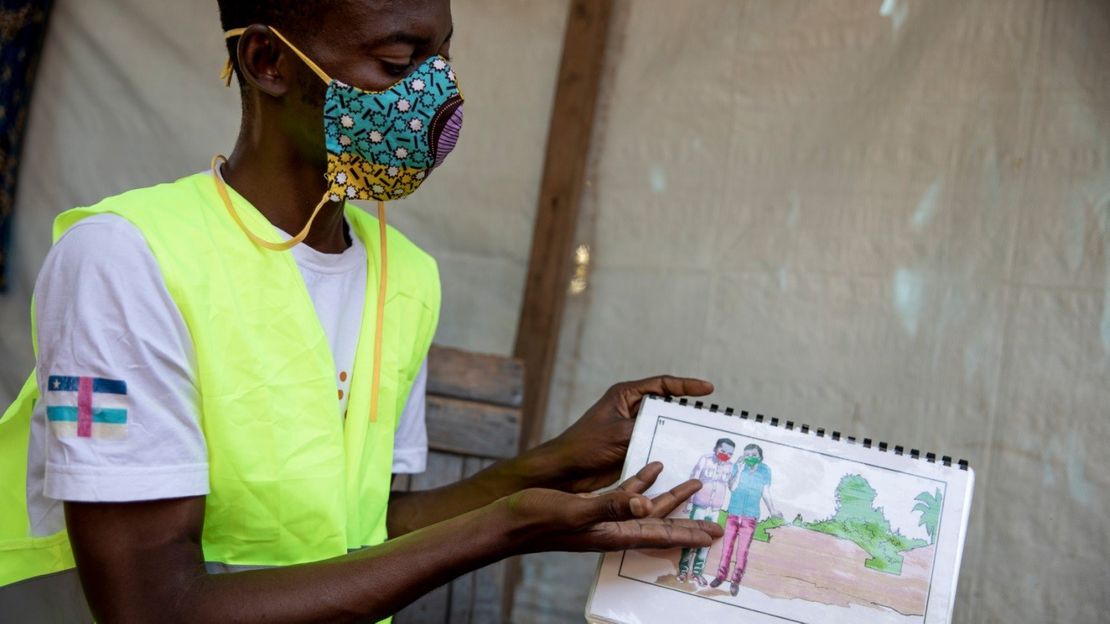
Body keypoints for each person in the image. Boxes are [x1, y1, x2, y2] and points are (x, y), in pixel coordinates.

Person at [0, 1, 724, 621]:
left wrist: (554, 467)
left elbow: (361, 529)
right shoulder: (125, 260)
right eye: (398, 61)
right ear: (267, 61)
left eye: (442, 57)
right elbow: (153, 608)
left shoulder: (404, 276)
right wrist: (506, 527)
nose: (438, 98)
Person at [710, 443, 781, 597]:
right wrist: (740, 471)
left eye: (754, 455)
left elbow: (766, 492)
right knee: (727, 547)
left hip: (750, 516)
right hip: (733, 513)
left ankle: (735, 580)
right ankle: (720, 576)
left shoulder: (765, 470)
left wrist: (773, 510)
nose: (750, 458)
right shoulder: (738, 466)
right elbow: (732, 487)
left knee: (742, 551)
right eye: (747, 455)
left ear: (760, 456)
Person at [675, 437, 735, 586]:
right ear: (716, 448)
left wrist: (737, 471)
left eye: (730, 453)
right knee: (691, 538)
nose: (725, 455)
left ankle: (697, 573)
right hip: (699, 505)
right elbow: (693, 480)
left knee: (707, 542)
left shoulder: (731, 466)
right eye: (723, 450)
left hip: (715, 508)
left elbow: (732, 486)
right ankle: (683, 571)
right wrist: (689, 502)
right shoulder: (705, 459)